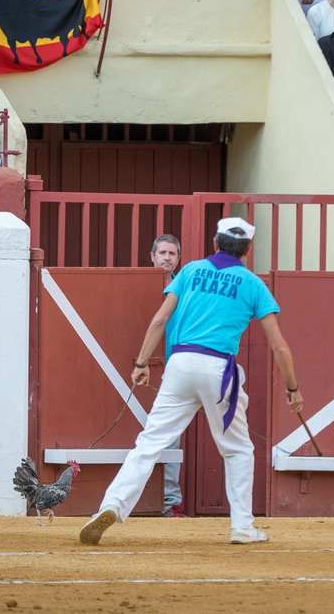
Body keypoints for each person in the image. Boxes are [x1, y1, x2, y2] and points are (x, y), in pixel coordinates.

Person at [79, 217, 303, 547]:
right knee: (238, 450)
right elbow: (279, 344)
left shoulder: (191, 270)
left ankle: (111, 504)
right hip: (219, 370)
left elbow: (160, 319)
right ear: (247, 249)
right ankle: (242, 526)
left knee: (149, 443)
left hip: (180, 365)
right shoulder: (252, 283)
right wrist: (292, 388)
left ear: (215, 242)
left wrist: (141, 363)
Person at [144, 233, 189, 518]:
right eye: (162, 252)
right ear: (152, 256)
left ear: (178, 258)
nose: (167, 258)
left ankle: (168, 502)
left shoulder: (184, 286)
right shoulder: (140, 285)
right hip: (148, 368)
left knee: (170, 437)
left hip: (173, 371)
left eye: (172, 253)